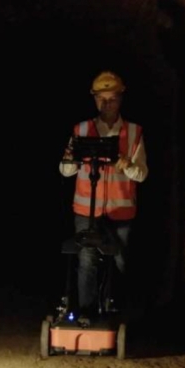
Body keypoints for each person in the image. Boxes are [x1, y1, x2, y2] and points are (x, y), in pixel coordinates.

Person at [59, 71, 148, 312]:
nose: (106, 104)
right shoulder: (82, 130)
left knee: (119, 262)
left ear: (120, 99)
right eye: (101, 98)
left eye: (111, 98)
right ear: (94, 99)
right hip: (87, 210)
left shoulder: (133, 132)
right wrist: (71, 160)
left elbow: (142, 174)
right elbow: (65, 171)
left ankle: (116, 310)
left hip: (121, 212)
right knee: (86, 260)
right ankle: (87, 313)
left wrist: (127, 165)